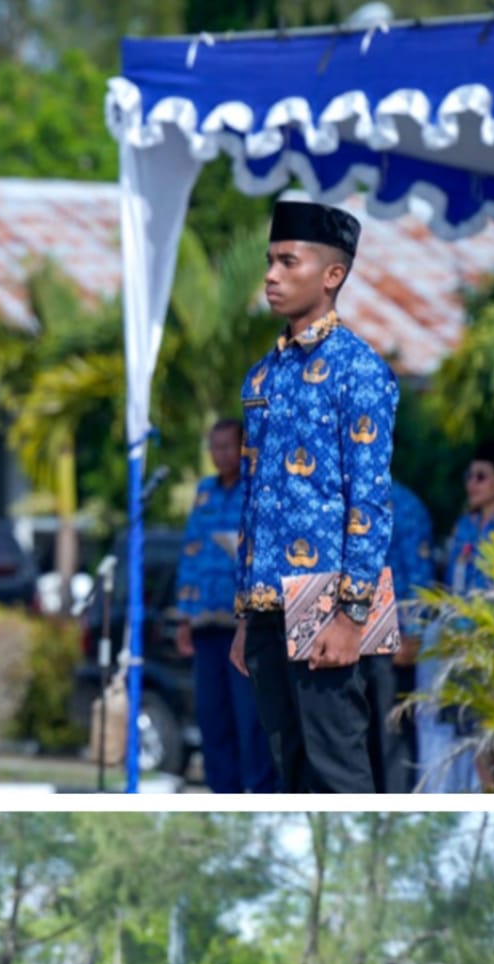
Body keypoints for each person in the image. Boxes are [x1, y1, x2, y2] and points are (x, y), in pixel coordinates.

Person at [230, 198, 400, 793]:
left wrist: (352, 615)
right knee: (290, 770)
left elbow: (371, 501)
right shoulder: (262, 375)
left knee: (338, 770)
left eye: (288, 262)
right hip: (269, 604)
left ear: (332, 276)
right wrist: (246, 617)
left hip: (327, 599)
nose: (271, 275)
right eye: (270, 261)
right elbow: (253, 500)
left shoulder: (359, 369)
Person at [175, 419, 277, 793]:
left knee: (249, 720)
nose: (220, 455)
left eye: (227, 447)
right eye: (214, 447)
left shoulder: (257, 489)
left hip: (246, 628)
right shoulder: (205, 493)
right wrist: (184, 618)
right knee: (212, 718)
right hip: (205, 625)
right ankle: (223, 794)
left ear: (243, 448)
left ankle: (260, 794)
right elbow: (189, 554)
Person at [417, 440, 494, 793]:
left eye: (482, 476)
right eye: (469, 476)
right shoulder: (464, 528)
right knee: (473, 742)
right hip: (460, 644)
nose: (471, 483)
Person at [382, 476, 435, 788]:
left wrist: (412, 632)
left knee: (393, 735)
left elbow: (419, 575)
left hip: (393, 635)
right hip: (341, 636)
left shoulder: (405, 504)